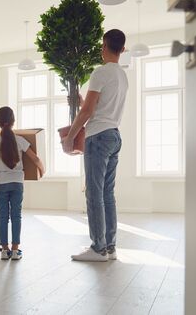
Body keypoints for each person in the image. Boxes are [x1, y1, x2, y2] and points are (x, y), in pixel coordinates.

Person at [62, 29, 128, 262]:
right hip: (114, 135)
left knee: (93, 193)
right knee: (107, 193)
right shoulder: (122, 75)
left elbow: (89, 112)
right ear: (122, 49)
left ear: (104, 46)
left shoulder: (100, 72)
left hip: (98, 137)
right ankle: (110, 247)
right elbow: (97, 106)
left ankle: (97, 248)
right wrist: (82, 102)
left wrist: (70, 136)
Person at [0, 107, 45, 260]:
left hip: (1, 183)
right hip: (17, 182)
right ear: (13, 122)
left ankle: (4, 250)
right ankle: (15, 249)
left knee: (3, 215)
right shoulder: (20, 140)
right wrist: (41, 170)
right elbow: (36, 159)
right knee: (16, 216)